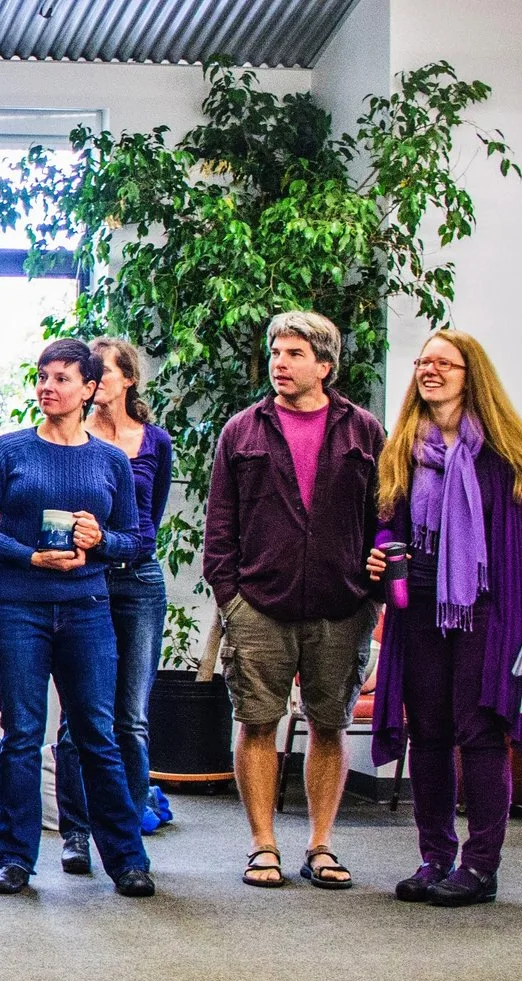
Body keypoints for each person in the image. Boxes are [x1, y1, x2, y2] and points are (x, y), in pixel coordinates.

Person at [369, 331, 522, 908]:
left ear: (469, 373)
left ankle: (481, 866)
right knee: (428, 731)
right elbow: (388, 519)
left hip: (488, 605)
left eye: (443, 363)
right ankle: (435, 857)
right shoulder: (404, 445)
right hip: (421, 605)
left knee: (481, 731)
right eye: (423, 362)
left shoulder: (504, 450)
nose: (430, 371)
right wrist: (384, 546)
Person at [0, 339, 154, 897]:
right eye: (43, 377)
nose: (48, 387)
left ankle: (127, 860)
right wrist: (28, 554)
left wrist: (100, 540)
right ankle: (15, 859)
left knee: (98, 732)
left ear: (90, 389)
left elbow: (135, 541)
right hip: (17, 606)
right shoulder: (10, 450)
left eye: (63, 378)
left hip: (87, 608)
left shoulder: (111, 459)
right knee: (23, 732)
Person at [205, 312, 386, 890]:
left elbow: (384, 518)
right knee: (257, 722)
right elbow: (220, 524)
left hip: (343, 604)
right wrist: (230, 597)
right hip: (258, 603)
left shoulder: (364, 431)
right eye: (276, 353)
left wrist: (373, 592)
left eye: (293, 354)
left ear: (325, 366)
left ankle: (321, 844)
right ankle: (263, 845)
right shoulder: (242, 430)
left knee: (328, 725)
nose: (279, 363)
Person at [51, 338, 175, 874]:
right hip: (86, 579)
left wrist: (117, 543)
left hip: (139, 580)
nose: (95, 380)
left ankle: (127, 834)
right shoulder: (71, 440)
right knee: (80, 716)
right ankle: (75, 832)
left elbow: (147, 522)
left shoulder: (155, 442)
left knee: (130, 717)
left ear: (127, 380)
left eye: (103, 370)